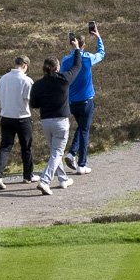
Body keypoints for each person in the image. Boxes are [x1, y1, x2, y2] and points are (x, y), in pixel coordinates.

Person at [59, 24, 105, 174]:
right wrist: (98, 37)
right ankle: (81, 164)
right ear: (83, 45)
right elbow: (101, 53)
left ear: (71, 44)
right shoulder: (88, 58)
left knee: (81, 126)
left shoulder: (65, 60)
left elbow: (62, 78)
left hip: (71, 102)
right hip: (86, 100)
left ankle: (72, 153)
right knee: (85, 130)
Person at [29, 58, 73, 195]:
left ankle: (63, 179)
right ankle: (45, 181)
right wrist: (77, 50)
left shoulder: (37, 84)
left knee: (55, 152)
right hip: (61, 121)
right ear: (57, 67)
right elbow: (77, 67)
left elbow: (33, 104)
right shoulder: (63, 80)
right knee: (57, 152)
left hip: (46, 122)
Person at [0, 57, 34, 190]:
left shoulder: (3, 78)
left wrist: (5, 108)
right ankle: (28, 176)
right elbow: (30, 100)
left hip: (6, 117)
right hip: (23, 118)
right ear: (25, 65)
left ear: (15, 64)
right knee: (26, 148)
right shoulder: (27, 80)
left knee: (5, 147)